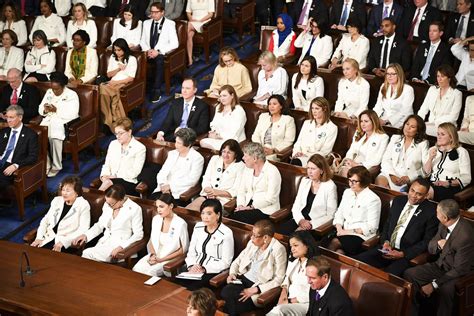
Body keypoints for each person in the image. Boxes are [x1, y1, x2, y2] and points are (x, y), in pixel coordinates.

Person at [404, 199, 474, 316]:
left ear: (445, 217)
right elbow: (431, 247)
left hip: (458, 273)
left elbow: (460, 269)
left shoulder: (465, 236)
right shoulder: (443, 224)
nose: (435, 213)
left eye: (437, 212)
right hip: (439, 265)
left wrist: (433, 285)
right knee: (410, 274)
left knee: (445, 290)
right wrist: (438, 244)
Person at [356, 178, 438, 277]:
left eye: (419, 194)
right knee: (357, 262)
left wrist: (403, 254)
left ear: (426, 196)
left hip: (405, 255)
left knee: (387, 277)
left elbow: (426, 241)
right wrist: (385, 242)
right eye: (412, 191)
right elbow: (387, 224)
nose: (413, 196)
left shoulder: (431, 212)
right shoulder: (398, 201)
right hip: (386, 248)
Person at [221, 220, 287, 316]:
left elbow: (279, 279)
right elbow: (238, 260)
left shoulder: (278, 249)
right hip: (243, 279)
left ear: (265, 237)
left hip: (259, 285)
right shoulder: (252, 243)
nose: (251, 237)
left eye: (255, 235)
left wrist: (256, 289)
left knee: (234, 304)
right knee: (226, 292)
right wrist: (232, 273)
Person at [74, 184, 144, 263]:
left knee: (87, 254)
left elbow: (139, 234)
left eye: (111, 204)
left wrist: (122, 247)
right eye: (107, 203)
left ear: (121, 200)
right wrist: (86, 235)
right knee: (89, 257)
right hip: (104, 243)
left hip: (119, 247)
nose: (108, 206)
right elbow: (100, 225)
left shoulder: (134, 209)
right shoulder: (107, 205)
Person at [178, 198, 234, 290]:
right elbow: (191, 252)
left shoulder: (226, 233)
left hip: (212, 271)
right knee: (178, 285)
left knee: (192, 288)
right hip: (193, 269)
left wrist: (204, 268)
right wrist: (192, 266)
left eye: (209, 213)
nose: (205, 217)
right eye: (202, 213)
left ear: (218, 215)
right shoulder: (198, 227)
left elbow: (226, 262)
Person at [327, 166, 382, 256]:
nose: (351, 184)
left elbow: (372, 227)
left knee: (335, 242)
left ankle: (321, 267)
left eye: (354, 181)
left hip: (360, 236)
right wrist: (339, 228)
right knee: (337, 251)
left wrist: (347, 232)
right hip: (342, 232)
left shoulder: (373, 199)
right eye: (349, 180)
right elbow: (339, 213)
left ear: (364, 182)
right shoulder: (347, 192)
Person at [279, 154, 337, 236]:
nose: (309, 171)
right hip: (300, 219)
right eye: (308, 168)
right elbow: (296, 205)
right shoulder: (305, 181)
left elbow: (331, 214)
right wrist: (300, 220)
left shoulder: (330, 186)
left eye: (313, 169)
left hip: (316, 224)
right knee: (280, 232)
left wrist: (311, 224)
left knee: (296, 237)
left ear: (321, 170)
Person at [133, 193, 189, 277]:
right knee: (137, 268)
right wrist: (153, 255)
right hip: (155, 255)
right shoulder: (156, 219)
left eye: (161, 207)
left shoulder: (180, 223)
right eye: (157, 207)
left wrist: (162, 259)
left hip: (170, 258)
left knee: (150, 273)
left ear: (171, 206)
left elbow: (182, 250)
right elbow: (152, 241)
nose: (158, 210)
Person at [30, 176, 91, 253]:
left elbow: (83, 229)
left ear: (77, 193)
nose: (64, 193)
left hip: (67, 242)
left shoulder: (83, 205)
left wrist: (64, 242)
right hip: (49, 237)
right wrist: (39, 238)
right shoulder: (56, 201)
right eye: (63, 190)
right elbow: (45, 221)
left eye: (68, 190)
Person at [38, 72, 80, 177]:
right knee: (39, 136)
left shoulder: (71, 95)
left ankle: (57, 166)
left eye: (57, 89)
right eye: (53, 88)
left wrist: (57, 109)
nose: (54, 91)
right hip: (49, 120)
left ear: (63, 86)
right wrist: (45, 109)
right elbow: (40, 108)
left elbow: (73, 113)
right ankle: (46, 164)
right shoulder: (49, 92)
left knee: (54, 137)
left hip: (64, 122)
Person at [230, 142, 282, 225]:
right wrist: (240, 205)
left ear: (254, 158)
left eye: (245, 156)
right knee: (231, 219)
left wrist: (250, 207)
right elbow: (241, 191)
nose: (243, 158)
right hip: (246, 205)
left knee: (237, 219)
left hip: (265, 209)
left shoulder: (272, 171)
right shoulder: (247, 169)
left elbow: (271, 198)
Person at [267, 231, 317, 316]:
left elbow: (315, 293)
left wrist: (290, 301)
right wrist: (283, 295)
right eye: (291, 246)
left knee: (279, 310)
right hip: (288, 302)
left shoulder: (316, 265)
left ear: (307, 245)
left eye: (295, 245)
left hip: (305, 303)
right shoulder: (293, 262)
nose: (292, 249)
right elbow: (286, 279)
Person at [187, 139, 245, 212]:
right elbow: (206, 178)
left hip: (223, 200)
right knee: (190, 209)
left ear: (236, 154)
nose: (225, 155)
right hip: (207, 196)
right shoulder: (215, 159)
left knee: (206, 213)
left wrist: (216, 192)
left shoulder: (241, 166)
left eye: (229, 152)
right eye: (224, 151)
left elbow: (236, 190)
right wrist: (208, 190)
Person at [376, 115, 429, 191]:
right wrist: (392, 175)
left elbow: (425, 169)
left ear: (418, 131)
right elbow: (386, 160)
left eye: (412, 127)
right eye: (407, 124)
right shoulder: (395, 138)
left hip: (408, 179)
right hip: (390, 173)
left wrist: (410, 177)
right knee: (380, 184)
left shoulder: (423, 144)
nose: (408, 128)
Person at [151, 128, 204, 202]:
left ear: (188, 145)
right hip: (162, 190)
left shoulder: (197, 158)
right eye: (176, 141)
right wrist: (163, 184)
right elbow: (162, 172)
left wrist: (170, 187)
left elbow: (192, 181)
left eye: (179, 143)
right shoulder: (172, 154)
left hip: (178, 193)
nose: (175, 145)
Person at [140, 2, 179, 103]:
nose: (153, 15)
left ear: (162, 12)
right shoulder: (146, 23)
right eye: (152, 12)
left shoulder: (170, 24)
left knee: (160, 61)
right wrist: (147, 50)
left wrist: (159, 51)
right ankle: (140, 89)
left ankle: (156, 90)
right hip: (148, 52)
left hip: (161, 53)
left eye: (156, 12)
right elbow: (142, 41)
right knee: (137, 60)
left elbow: (175, 43)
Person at [423, 123, 471, 201]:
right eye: (438, 134)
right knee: (416, 185)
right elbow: (426, 173)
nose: (439, 137)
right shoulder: (433, 149)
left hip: (449, 187)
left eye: (442, 134)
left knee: (424, 192)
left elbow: (466, 177)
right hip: (431, 183)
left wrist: (447, 183)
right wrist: (430, 158)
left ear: (451, 137)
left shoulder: (461, 152)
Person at [99, 117, 146, 195]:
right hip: (110, 180)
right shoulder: (113, 144)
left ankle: (97, 197)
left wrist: (116, 176)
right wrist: (104, 176)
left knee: (108, 184)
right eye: (116, 133)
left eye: (121, 133)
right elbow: (107, 164)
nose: (118, 136)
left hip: (128, 181)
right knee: (108, 183)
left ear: (129, 132)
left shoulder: (139, 148)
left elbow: (135, 172)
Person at [100, 38, 137, 133]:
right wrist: (118, 69)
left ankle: (108, 122)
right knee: (101, 88)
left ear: (124, 49)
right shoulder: (113, 57)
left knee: (105, 90)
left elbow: (131, 78)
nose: (117, 52)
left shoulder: (132, 59)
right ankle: (111, 121)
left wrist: (116, 83)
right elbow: (108, 75)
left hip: (123, 84)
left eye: (119, 50)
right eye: (115, 50)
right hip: (112, 82)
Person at [156, 77, 210, 142]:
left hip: (189, 137)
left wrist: (185, 131)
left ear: (195, 90)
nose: (184, 91)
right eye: (183, 88)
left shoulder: (202, 106)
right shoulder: (175, 103)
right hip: (174, 136)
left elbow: (202, 128)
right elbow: (167, 122)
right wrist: (160, 134)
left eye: (187, 88)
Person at [339, 109, 389, 177]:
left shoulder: (383, 137)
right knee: (344, 170)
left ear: (373, 122)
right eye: (361, 121)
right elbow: (351, 150)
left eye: (366, 121)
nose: (363, 124)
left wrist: (358, 165)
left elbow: (377, 160)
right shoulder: (358, 132)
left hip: (365, 168)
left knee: (347, 172)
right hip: (351, 164)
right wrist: (348, 161)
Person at [0, 105, 38, 190]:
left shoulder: (30, 135)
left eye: (11, 117)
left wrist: (16, 165)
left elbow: (33, 157)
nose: (8, 120)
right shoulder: (4, 131)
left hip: (11, 166)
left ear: (20, 117)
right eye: (7, 117)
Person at [417, 65, 462, 136]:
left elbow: (454, 117)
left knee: (422, 130)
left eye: (442, 76)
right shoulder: (432, 89)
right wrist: (418, 121)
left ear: (449, 78)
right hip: (430, 125)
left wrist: (435, 123)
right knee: (415, 128)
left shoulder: (456, 94)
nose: (439, 79)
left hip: (447, 127)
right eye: (438, 76)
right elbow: (423, 109)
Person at [291, 98, 337, 166]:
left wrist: (306, 156)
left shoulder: (332, 127)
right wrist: (297, 153)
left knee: (297, 163)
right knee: (295, 162)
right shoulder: (307, 123)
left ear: (324, 109)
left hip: (315, 160)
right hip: (299, 157)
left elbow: (325, 151)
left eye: (317, 108)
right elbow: (298, 142)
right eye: (312, 108)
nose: (314, 111)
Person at [199, 85, 247, 151]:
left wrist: (218, 136)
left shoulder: (239, 110)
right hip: (218, 138)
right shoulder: (218, 107)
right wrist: (213, 132)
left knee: (223, 148)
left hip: (233, 140)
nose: (222, 99)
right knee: (203, 142)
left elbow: (235, 132)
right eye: (220, 96)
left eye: (224, 96)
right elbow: (214, 124)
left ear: (232, 95)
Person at [252, 95, 296, 161]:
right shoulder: (263, 117)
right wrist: (260, 148)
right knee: (248, 157)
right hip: (259, 148)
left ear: (281, 106)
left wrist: (274, 150)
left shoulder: (288, 120)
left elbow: (288, 141)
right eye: (269, 104)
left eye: (274, 104)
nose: (271, 106)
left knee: (260, 160)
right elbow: (255, 135)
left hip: (274, 152)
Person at [373, 63, 414, 129]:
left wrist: (387, 121)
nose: (389, 76)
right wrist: (372, 118)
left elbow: (404, 111)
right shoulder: (383, 86)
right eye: (387, 74)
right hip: (384, 119)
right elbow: (378, 106)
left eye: (392, 74)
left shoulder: (408, 89)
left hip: (402, 122)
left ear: (399, 75)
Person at [186, 0, 215, 66]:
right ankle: (190, 59)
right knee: (189, 35)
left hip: (204, 22)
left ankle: (180, 53)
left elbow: (211, 14)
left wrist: (200, 20)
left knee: (187, 28)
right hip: (193, 21)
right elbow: (188, 12)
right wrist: (191, 19)